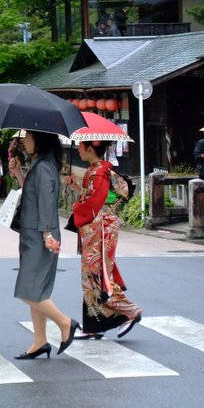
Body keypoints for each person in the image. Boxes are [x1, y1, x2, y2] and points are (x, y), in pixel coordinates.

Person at [8, 130, 79, 359]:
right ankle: (40, 340)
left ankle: (65, 323)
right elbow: (32, 195)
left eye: (28, 136)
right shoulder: (40, 165)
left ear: (39, 139)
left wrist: (48, 234)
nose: (24, 140)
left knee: (28, 290)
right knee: (36, 289)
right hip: (34, 234)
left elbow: (47, 203)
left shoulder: (44, 167)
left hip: (40, 235)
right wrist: (18, 173)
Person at [63, 140, 142, 340]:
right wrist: (76, 186)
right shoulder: (97, 171)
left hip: (100, 227)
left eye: (81, 146)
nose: (79, 148)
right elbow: (94, 197)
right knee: (91, 277)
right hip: (99, 226)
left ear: (90, 148)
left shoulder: (99, 173)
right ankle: (93, 325)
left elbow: (94, 202)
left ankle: (130, 311)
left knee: (100, 275)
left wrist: (77, 208)